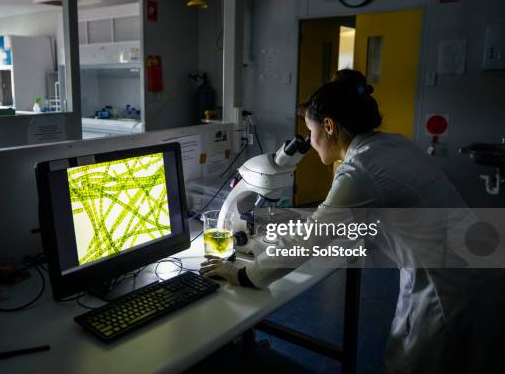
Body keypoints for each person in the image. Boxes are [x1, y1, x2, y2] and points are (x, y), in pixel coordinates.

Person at [200, 70, 505, 373]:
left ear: (329, 126)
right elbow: (344, 220)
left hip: (452, 284)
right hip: (476, 260)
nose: (311, 141)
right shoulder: (390, 144)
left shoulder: (360, 171)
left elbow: (307, 243)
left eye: (311, 131)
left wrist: (241, 274)